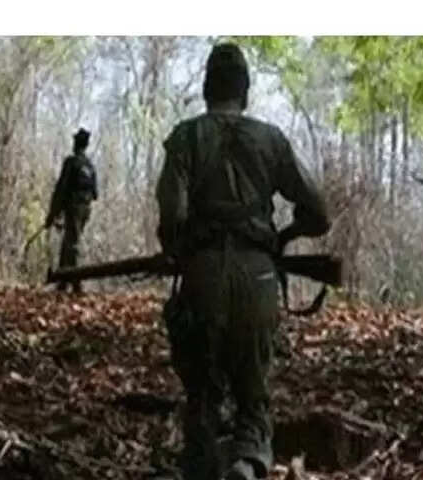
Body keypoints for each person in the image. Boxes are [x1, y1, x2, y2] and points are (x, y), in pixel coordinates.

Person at [156, 43, 330, 480]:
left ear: (206, 89)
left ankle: (204, 465)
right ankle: (248, 462)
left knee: (202, 395)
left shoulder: (186, 137)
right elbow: (319, 213)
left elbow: (172, 216)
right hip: (259, 274)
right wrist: (281, 238)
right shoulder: (271, 139)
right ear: (245, 92)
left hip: (204, 275)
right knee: (253, 394)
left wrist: (180, 248)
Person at [46, 128, 98, 293]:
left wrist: (52, 213)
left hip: (74, 208)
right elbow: (95, 193)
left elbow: (61, 189)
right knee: (69, 241)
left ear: (76, 144)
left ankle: (76, 282)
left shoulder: (71, 162)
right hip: (86, 209)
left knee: (72, 243)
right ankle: (63, 280)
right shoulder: (90, 166)